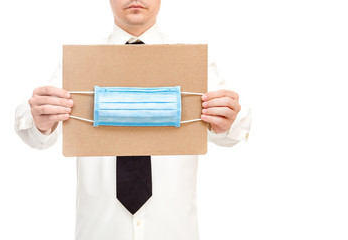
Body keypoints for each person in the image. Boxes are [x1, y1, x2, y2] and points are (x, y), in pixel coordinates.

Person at [14, 0, 252, 239]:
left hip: (174, 229)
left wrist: (229, 120)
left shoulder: (194, 61)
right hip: (100, 229)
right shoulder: (79, 61)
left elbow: (235, 130)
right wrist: (39, 119)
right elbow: (36, 135)